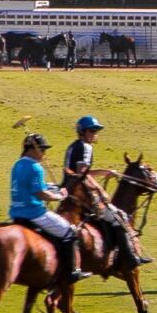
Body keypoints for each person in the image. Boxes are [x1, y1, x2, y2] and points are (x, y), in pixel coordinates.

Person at [61, 114, 143, 267]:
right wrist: (99, 190)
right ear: (83, 132)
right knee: (119, 216)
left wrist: (104, 172)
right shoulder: (85, 147)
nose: (94, 134)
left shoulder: (74, 146)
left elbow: (81, 172)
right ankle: (130, 258)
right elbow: (82, 173)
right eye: (91, 131)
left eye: (95, 131)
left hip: (67, 189)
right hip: (78, 193)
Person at [9, 130, 84, 284]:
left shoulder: (17, 164)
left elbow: (31, 186)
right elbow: (40, 194)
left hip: (16, 212)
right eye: (42, 149)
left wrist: (53, 187)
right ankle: (72, 271)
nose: (44, 153)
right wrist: (59, 196)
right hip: (34, 212)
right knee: (70, 231)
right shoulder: (36, 167)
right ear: (32, 149)